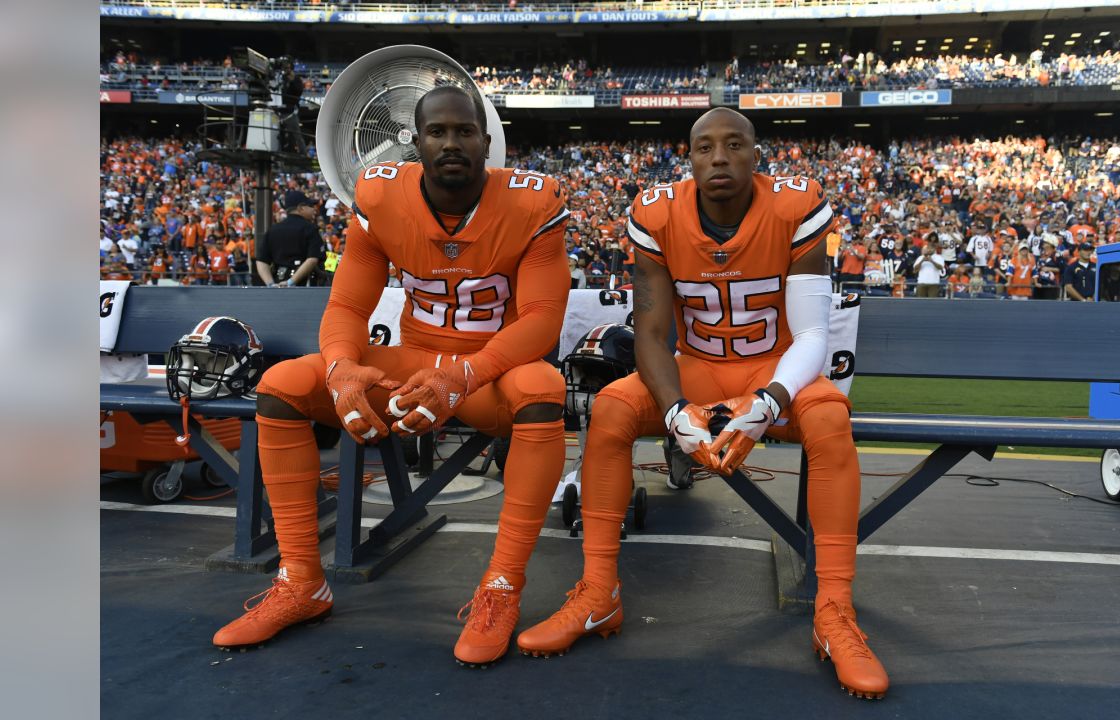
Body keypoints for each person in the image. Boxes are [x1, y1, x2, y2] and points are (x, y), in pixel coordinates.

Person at [515, 108, 889, 700]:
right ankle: (597, 591)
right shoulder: (657, 214)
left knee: (829, 417)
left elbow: (814, 335)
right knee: (612, 408)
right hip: (697, 365)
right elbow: (651, 335)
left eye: (734, 144)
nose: (719, 157)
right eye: (704, 147)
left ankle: (835, 611)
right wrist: (672, 413)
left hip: (774, 365)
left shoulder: (795, 206)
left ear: (755, 153)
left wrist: (768, 401)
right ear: (688, 159)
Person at [212, 85, 573, 670]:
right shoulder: (379, 195)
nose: (451, 143)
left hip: (489, 372)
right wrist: (341, 368)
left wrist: (464, 375)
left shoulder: (533, 202)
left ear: (487, 141)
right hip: (415, 360)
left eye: (464, 131)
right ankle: (302, 579)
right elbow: (349, 307)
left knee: (543, 390)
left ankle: (502, 588)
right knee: (282, 385)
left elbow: (541, 320)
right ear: (416, 141)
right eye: (438, 132)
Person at [255, 190, 325, 287]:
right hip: (304, 285)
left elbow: (261, 261)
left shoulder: (273, 229)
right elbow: (312, 259)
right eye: (310, 206)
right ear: (300, 208)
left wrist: (270, 284)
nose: (314, 210)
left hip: (277, 282)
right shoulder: (310, 228)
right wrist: (291, 282)